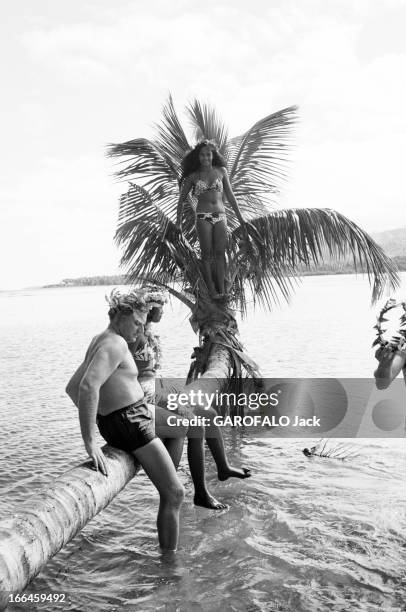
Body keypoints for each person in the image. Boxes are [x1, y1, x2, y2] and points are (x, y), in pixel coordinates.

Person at [65, 290, 184, 552]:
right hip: (130, 422)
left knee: (178, 424)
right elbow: (86, 388)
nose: (140, 329)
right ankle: (170, 566)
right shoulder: (114, 345)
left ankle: (164, 479)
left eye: (143, 324)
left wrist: (102, 415)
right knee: (176, 494)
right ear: (120, 314)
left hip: (130, 416)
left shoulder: (103, 339)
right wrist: (90, 442)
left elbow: (71, 387)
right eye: (137, 323)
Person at [130, 288, 251, 510]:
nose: (163, 312)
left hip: (156, 393)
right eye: (160, 308)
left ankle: (223, 467)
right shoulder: (134, 335)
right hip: (146, 397)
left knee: (210, 414)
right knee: (194, 423)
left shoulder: (145, 333)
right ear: (149, 309)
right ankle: (201, 493)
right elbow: (131, 376)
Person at [175, 140, 246, 300]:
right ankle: (213, 290)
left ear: (213, 155)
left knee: (220, 254)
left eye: (208, 154)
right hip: (203, 217)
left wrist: (241, 218)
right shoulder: (193, 176)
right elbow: (181, 199)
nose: (205, 157)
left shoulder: (221, 171)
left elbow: (230, 195)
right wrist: (178, 222)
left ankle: (222, 290)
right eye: (202, 155)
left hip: (221, 216)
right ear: (198, 157)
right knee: (207, 255)